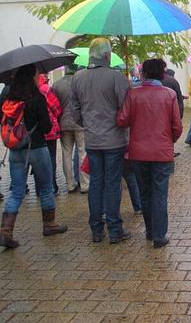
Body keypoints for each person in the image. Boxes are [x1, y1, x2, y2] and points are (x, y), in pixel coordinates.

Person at [0, 64, 68, 249]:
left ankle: (6, 231)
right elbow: (46, 126)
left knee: (17, 191)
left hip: (15, 151)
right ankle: (49, 224)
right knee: (46, 187)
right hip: (37, 148)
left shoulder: (8, 97)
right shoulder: (36, 97)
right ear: (32, 76)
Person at [117, 59, 182, 248]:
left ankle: (150, 230)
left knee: (144, 192)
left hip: (138, 153)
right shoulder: (169, 95)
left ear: (143, 73)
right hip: (162, 152)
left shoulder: (133, 94)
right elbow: (177, 126)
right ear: (162, 74)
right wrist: (170, 140)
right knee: (160, 193)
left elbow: (122, 120)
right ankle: (159, 236)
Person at [71, 38, 131, 244]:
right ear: (107, 56)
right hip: (114, 139)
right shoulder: (116, 77)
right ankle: (115, 229)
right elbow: (126, 109)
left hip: (92, 139)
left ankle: (96, 229)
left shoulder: (78, 77)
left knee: (96, 183)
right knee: (112, 184)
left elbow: (75, 111)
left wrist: (88, 123)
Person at [52, 64, 89, 194]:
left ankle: (70, 184)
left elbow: (54, 105)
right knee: (82, 152)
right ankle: (84, 184)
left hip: (63, 123)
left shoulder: (56, 85)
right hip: (79, 123)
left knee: (66, 154)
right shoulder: (80, 83)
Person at [38, 74, 62, 195]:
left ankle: (39, 188)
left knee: (38, 159)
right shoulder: (46, 90)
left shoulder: (30, 90)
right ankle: (53, 186)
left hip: (36, 132)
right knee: (51, 157)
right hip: (50, 130)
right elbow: (57, 108)